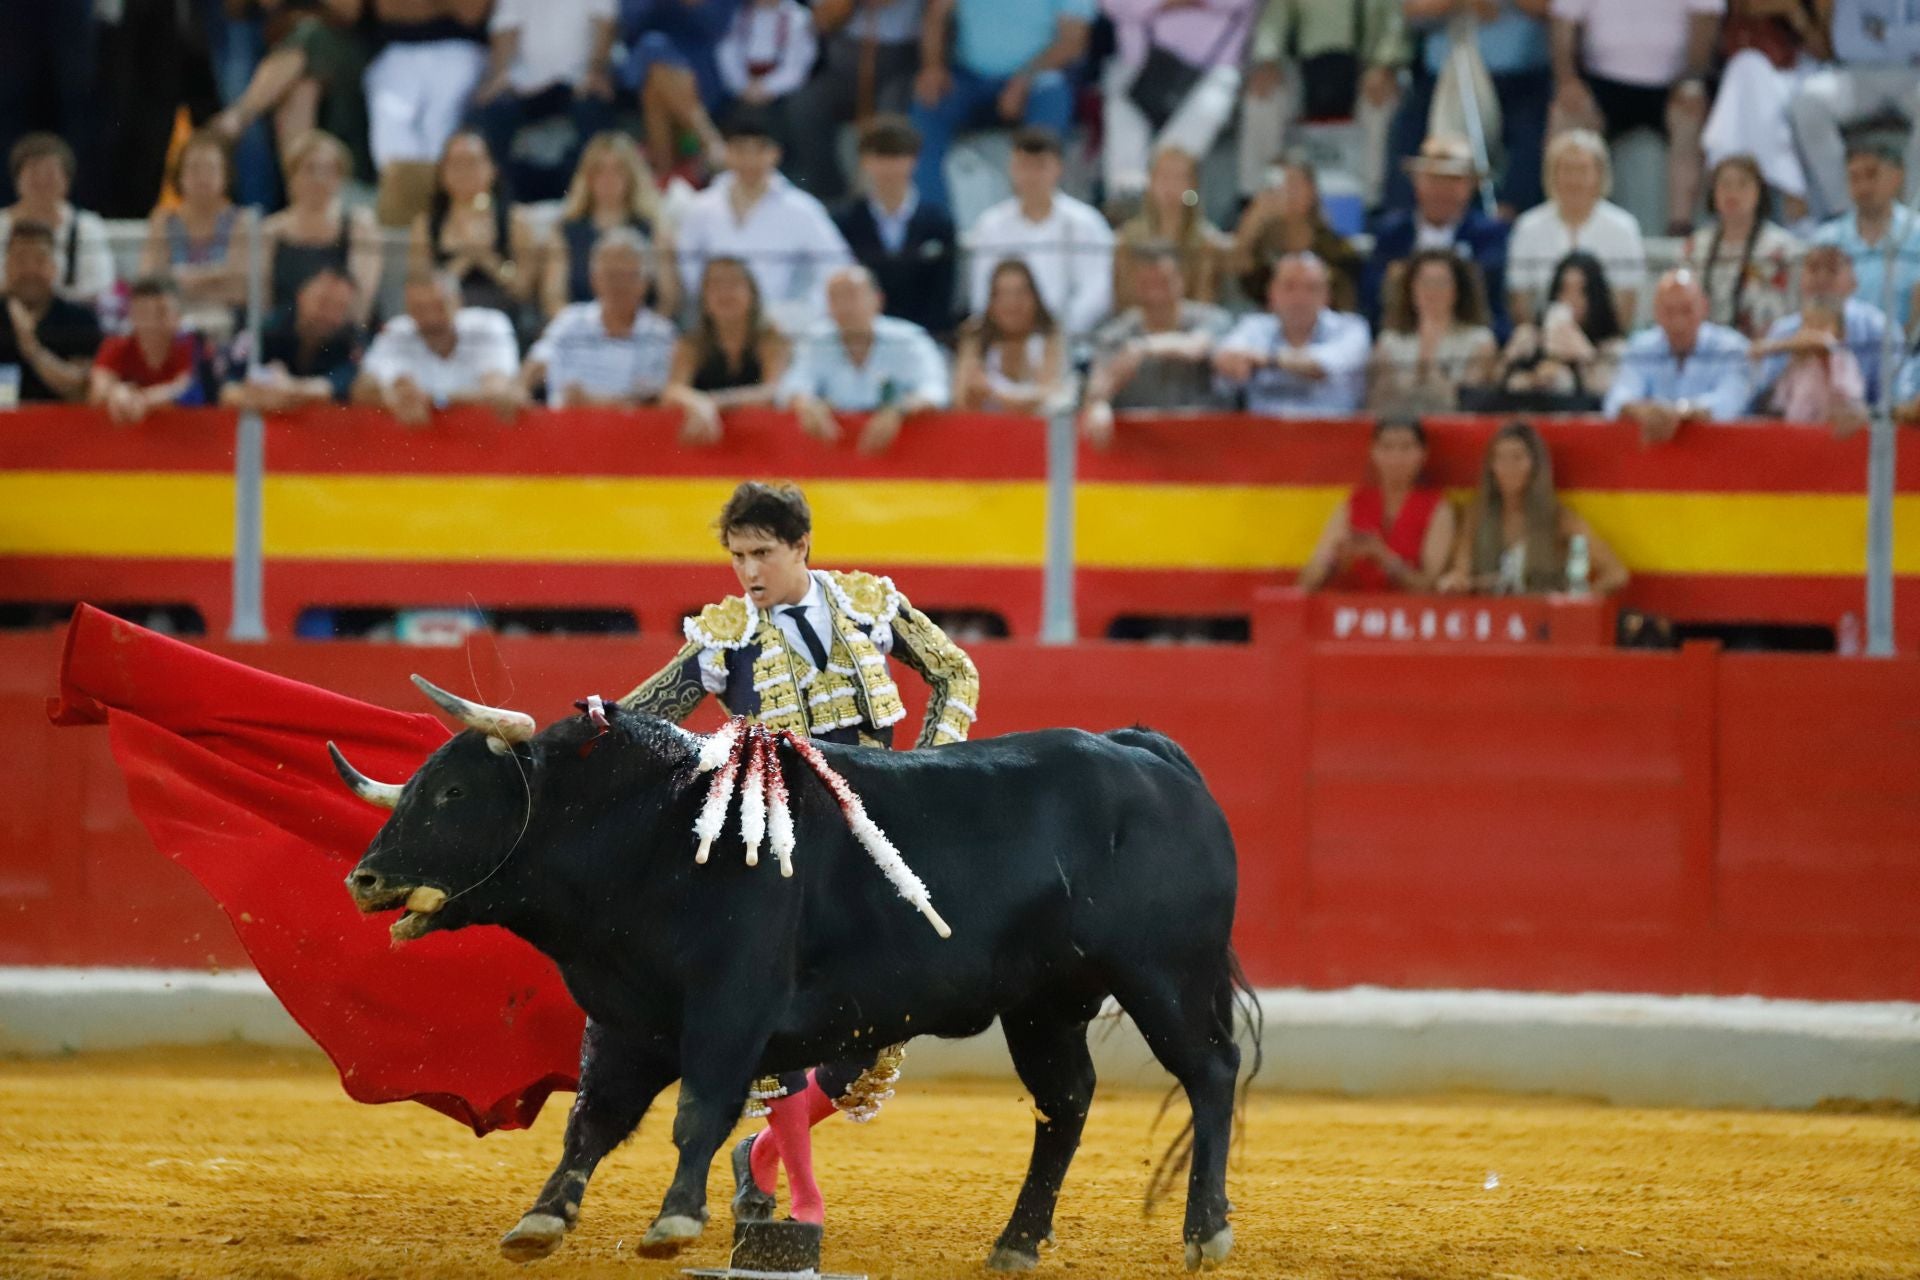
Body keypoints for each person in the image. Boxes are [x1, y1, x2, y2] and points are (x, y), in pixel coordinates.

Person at [617, 480, 979, 1229]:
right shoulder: (722, 636)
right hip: (777, 846)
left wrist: (928, 774)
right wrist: (580, 731)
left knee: (879, 1035)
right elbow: (639, 721)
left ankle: (759, 1159)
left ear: (801, 547)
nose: (748, 573)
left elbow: (954, 672)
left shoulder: (867, 606)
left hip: (871, 836)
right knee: (778, 1017)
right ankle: (804, 1199)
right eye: (737, 557)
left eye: (762, 554)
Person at [1548, 0, 1723, 236]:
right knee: (1565, 113)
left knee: (1691, 112)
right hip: (1602, 82)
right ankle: (1558, 214)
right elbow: (1562, 24)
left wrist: (1692, 78)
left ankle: (1680, 227)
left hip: (1671, 84)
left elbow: (1707, 21)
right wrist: (1567, 80)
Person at [675, 110, 856, 333]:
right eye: (740, 150)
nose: (750, 160)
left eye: (759, 150)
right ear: (727, 152)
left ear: (775, 153)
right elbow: (688, 268)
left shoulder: (801, 210)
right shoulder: (701, 208)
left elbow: (838, 267)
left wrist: (803, 314)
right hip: (715, 325)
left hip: (779, 330)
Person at [909, 0, 1096, 212]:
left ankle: (1034, 215)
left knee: (1050, 106)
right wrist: (933, 66)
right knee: (927, 110)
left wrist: (1024, 79)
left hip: (1037, 79)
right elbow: (935, 16)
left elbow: (1073, 41)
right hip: (969, 77)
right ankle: (933, 224)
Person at [1383, 0, 1553, 217]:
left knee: (1529, 138)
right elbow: (1413, 8)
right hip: (1442, 78)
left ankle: (1505, 220)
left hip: (1519, 80)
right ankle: (1406, 224)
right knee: (1407, 136)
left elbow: (1546, 6)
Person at [1237, 0, 1406, 207]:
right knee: (1262, 96)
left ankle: (1373, 202)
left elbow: (1394, 25)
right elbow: (1273, 21)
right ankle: (1256, 196)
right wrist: (1268, 59)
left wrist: (1384, 65)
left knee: (1382, 102)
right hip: (1305, 71)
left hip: (1363, 71)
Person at [1439, 418, 1627, 594]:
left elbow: (1616, 573)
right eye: (1500, 458)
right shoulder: (1477, 513)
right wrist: (1457, 581)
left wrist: (1575, 606)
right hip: (1492, 617)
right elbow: (1460, 570)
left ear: (1535, 465)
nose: (1508, 467)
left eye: (1517, 458)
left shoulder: (1558, 517)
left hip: (1544, 621)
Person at [966, 128, 1116, 341]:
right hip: (1004, 340)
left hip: (1071, 339)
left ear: (1058, 168)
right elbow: (981, 292)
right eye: (1023, 166)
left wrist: (1057, 331)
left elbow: (1098, 289)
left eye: (1040, 166)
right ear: (1011, 168)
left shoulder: (1086, 223)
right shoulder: (990, 225)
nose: (1031, 176)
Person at [1101, 0, 1255, 205]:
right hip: (1140, 67)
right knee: (1121, 110)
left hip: (1214, 70)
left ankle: (1169, 205)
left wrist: (1164, 5)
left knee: (1207, 109)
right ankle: (1126, 206)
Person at [784, 265, 950, 453]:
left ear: (877, 300)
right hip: (831, 451)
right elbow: (793, 386)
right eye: (834, 297)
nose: (844, 306)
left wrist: (898, 409)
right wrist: (808, 406)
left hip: (904, 452)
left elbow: (935, 391)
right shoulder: (815, 341)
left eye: (851, 295)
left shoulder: (909, 340)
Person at [1082, 244, 1233, 445]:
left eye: (1163, 282)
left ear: (1181, 280)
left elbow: (1196, 347)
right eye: (1147, 283)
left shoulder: (1212, 319)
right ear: (1134, 284)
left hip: (1204, 440)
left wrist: (1144, 347)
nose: (1155, 292)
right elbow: (1098, 385)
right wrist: (1099, 404)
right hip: (1139, 444)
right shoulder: (1115, 334)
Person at [1362, 134, 1512, 335]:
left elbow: (1492, 295)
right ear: (1417, 182)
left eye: (1453, 180)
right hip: (1401, 337)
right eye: (1434, 179)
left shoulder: (1489, 234)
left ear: (1470, 186)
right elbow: (1371, 294)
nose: (1442, 190)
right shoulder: (1392, 232)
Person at [469, 0, 618, 201]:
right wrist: (500, 73)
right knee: (494, 109)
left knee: (593, 109)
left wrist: (596, 70)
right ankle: (498, 200)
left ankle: (587, 201)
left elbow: (605, 23)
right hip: (526, 81)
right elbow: (506, 25)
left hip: (579, 79)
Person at [210, 0, 373, 182]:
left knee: (310, 37)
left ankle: (240, 114)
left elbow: (348, 12)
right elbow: (235, 9)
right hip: (285, 52)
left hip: (348, 47)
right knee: (302, 90)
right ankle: (300, 190)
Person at [362, 0, 493, 228]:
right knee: (390, 120)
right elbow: (388, 9)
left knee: (440, 126)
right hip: (398, 48)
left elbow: (470, 12)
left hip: (460, 47)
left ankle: (443, 217)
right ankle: (403, 216)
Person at [1786, 0, 1920, 221]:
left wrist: (1884, 33)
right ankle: (1845, 213)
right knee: (1809, 102)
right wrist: (1903, 38)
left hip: (1911, 73)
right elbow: (1846, 43)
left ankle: (1913, 218)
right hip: (1857, 73)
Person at [1702, 0, 1830, 226]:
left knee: (1749, 76)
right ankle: (1790, 187)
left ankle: (1731, 186)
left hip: (1800, 78)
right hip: (1746, 85)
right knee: (1747, 68)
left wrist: (1795, 13)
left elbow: (1826, 51)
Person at [783, 0, 925, 201]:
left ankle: (872, 204)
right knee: (806, 106)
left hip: (900, 68)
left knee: (889, 121)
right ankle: (829, 197)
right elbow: (821, 21)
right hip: (843, 67)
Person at [523, 228, 680, 410]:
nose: (619, 285)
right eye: (611, 275)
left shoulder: (661, 334)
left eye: (628, 276)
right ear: (594, 279)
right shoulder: (569, 322)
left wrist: (592, 402)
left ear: (645, 282)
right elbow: (536, 365)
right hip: (567, 431)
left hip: (634, 433)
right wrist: (520, 389)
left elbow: (657, 399)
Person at [831, 116, 959, 338]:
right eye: (881, 156)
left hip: (924, 340)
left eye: (898, 156)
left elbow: (943, 295)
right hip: (859, 340)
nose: (889, 167)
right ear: (865, 161)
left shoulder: (938, 223)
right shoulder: (845, 222)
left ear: (914, 160)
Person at [1297, 415, 1457, 592]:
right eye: (1387, 447)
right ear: (1373, 452)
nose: (1396, 457)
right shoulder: (1355, 502)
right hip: (1354, 611)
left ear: (1423, 454)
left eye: (1406, 448)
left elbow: (1430, 586)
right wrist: (1332, 559)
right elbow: (1306, 583)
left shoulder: (1438, 508)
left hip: (1409, 614)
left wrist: (1383, 558)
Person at [1506, 128, 1646, 326]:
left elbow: (1626, 305)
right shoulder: (1527, 227)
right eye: (1566, 169)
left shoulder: (1624, 228)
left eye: (1582, 169)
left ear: (1599, 174)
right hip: (1543, 339)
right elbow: (1520, 302)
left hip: (1604, 343)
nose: (1574, 179)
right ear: (1552, 174)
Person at [351, 269, 524, 425]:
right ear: (407, 309)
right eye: (420, 309)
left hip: (479, 442)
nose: (431, 318)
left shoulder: (489, 325)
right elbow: (363, 387)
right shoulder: (396, 332)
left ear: (458, 302)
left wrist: (431, 400)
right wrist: (391, 396)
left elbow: (498, 390)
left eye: (438, 306)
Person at [541, 132, 680, 322]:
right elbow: (554, 298)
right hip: (580, 336)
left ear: (631, 176)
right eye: (600, 170)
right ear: (587, 177)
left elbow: (668, 299)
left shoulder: (654, 230)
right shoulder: (565, 231)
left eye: (617, 170)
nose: (608, 179)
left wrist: (643, 333)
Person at [1213, 251, 1371, 417]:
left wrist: (1267, 360)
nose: (1300, 298)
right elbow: (1226, 357)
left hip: (1333, 435)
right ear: (1272, 292)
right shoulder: (1254, 326)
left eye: (1311, 288)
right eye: (1289, 287)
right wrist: (1232, 362)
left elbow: (1320, 366)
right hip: (1261, 435)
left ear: (1326, 295)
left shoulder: (1351, 328)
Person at [1605, 270, 1753, 441]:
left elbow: (1730, 401)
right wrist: (1644, 411)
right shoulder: (1640, 347)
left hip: (1723, 453)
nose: (1678, 322)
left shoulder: (1731, 348)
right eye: (1669, 311)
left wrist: (1679, 412)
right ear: (1656, 312)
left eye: (1687, 310)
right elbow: (1618, 398)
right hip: (1652, 456)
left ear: (1704, 307)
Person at [408, 130, 540, 317]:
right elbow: (419, 290)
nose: (464, 172)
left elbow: (523, 289)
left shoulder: (514, 220)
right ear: (442, 172)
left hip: (502, 318)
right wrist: (466, 256)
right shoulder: (425, 225)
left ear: (492, 168)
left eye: (472, 162)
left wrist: (486, 257)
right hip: (445, 321)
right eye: (455, 164)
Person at [664, 256, 793, 444]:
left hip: (763, 442)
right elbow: (673, 390)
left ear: (752, 294)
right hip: (704, 444)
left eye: (734, 283)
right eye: (715, 285)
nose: (725, 293)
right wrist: (697, 403)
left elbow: (773, 392)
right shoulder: (691, 344)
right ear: (704, 299)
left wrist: (714, 403)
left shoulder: (771, 338)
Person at [261, 131, 384, 326]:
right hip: (282, 332)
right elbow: (261, 300)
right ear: (291, 175)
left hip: (342, 333)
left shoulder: (360, 226)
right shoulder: (271, 230)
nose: (319, 178)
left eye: (329, 170)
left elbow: (362, 302)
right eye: (310, 169)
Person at [139, 131, 249, 342]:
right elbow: (149, 278)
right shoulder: (163, 219)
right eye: (194, 169)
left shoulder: (241, 221)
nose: (202, 177)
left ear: (225, 174)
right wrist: (215, 277)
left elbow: (240, 289)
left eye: (210, 169)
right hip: (169, 319)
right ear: (179, 175)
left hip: (225, 323)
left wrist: (180, 281)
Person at [1754, 242, 1890, 411]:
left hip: (1858, 430)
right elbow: (1763, 403)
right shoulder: (1783, 329)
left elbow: (1891, 401)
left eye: (1832, 270)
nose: (1821, 278)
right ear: (1800, 279)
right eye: (1813, 269)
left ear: (1854, 281)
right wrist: (1794, 362)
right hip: (1792, 429)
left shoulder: (1878, 328)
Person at [1681, 153, 1800, 341]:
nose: (1733, 193)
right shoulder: (1695, 246)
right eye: (1725, 185)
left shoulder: (1783, 248)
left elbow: (1796, 310)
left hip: (1768, 348)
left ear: (1759, 192)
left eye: (1742, 184)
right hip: (1707, 352)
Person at [1366, 247, 1498, 412]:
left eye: (1441, 282)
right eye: (1424, 282)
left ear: (1458, 289)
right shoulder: (1389, 341)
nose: (1432, 291)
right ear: (1410, 288)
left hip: (1454, 427)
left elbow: (1468, 402)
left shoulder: (1479, 340)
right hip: (1400, 429)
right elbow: (1376, 403)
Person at [221, 266, 367, 412]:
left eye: (340, 308)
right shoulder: (265, 330)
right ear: (301, 295)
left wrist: (296, 388)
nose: (328, 315)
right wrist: (260, 396)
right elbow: (226, 389)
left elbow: (349, 381)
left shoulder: (351, 342)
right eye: (323, 302)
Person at [1230, 154, 1363, 313]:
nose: (1286, 193)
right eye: (1278, 186)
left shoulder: (1337, 250)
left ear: (1311, 191)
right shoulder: (1257, 251)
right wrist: (1254, 218)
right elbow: (1235, 272)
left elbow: (1344, 308)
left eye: (1293, 184)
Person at [619, 0, 734, 180]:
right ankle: (710, 141)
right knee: (654, 49)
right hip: (644, 62)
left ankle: (663, 173)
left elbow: (717, 25)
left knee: (655, 82)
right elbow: (631, 24)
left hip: (700, 72)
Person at [1811, 142, 1920, 332]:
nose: (1863, 187)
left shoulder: (1916, 234)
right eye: (1854, 177)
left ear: (1897, 176)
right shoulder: (1826, 240)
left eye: (1872, 175)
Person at [1496, 250, 1626, 406]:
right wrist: (1515, 365)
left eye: (1581, 292)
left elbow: (1612, 402)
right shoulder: (1530, 335)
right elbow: (1493, 385)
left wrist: (1585, 357)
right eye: (1564, 289)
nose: (1570, 300)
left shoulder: (1613, 348)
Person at [0, 134, 116, 309]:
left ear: (67, 180)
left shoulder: (87, 226)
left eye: (50, 174)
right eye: (33, 173)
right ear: (17, 179)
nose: (41, 181)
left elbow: (100, 286)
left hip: (69, 321)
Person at [0, 221, 103, 404]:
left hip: (63, 427)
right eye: (21, 260)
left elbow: (81, 389)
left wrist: (32, 348)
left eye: (39, 260)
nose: (30, 270)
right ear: (6, 266)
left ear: (55, 267)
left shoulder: (80, 319)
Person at [1114, 147, 1226, 309]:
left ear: (1193, 186)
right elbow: (1124, 302)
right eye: (1163, 177)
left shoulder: (1207, 241)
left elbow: (1204, 303)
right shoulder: (1127, 239)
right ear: (1150, 182)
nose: (1170, 186)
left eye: (1179, 178)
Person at [88, 277, 210, 423]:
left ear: (178, 317)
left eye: (161, 312)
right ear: (131, 315)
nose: (152, 322)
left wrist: (141, 400)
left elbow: (186, 389)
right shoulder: (116, 345)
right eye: (143, 313)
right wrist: (117, 392)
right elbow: (98, 391)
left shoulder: (191, 343)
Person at [954, 258, 1068, 412]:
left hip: (1037, 431)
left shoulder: (1050, 335)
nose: (1012, 303)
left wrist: (995, 394)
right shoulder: (976, 335)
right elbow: (961, 399)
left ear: (1035, 299)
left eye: (1020, 293)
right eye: (1003, 294)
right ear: (991, 303)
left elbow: (1051, 396)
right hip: (987, 430)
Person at [1754, 301, 1869, 430]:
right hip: (1797, 431)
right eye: (1807, 325)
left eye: (1821, 325)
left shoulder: (1841, 357)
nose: (1811, 332)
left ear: (1841, 334)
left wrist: (1772, 347)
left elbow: (1822, 342)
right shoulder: (1797, 361)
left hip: (1830, 433)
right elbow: (1780, 403)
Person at [715, 0, 819, 118]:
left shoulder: (798, 18)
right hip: (743, 90)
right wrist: (742, 85)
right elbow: (727, 52)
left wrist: (767, 87)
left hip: (782, 96)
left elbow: (797, 68)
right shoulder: (739, 14)